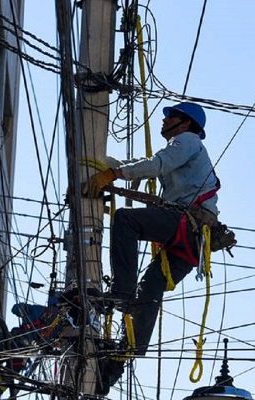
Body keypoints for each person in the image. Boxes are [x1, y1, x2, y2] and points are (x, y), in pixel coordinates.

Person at [84, 102, 221, 395]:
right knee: (151, 287)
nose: (164, 119)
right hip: (194, 240)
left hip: (187, 223)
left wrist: (114, 174)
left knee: (125, 220)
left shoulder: (187, 141)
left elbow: (157, 165)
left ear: (185, 123)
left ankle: (121, 291)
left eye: (170, 116)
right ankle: (120, 361)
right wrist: (114, 166)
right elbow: (152, 161)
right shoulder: (181, 146)